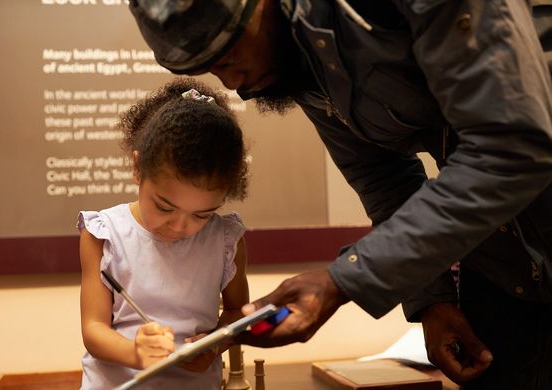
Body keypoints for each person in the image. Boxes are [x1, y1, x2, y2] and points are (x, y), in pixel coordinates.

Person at [129, 1, 552, 389]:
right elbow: (383, 178)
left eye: (228, 59)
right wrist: (432, 300)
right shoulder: (299, 60)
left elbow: (512, 149)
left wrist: (342, 281)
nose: (234, 85)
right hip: (502, 272)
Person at [77, 77, 250, 389]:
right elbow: (93, 329)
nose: (180, 226)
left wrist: (214, 344)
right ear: (137, 168)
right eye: (164, 207)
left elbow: (237, 311)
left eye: (202, 214)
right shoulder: (104, 234)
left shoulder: (225, 239)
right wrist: (135, 352)